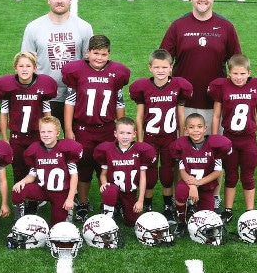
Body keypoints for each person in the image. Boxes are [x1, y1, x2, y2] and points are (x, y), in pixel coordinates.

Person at [159, 0, 242, 212]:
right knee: (180, 153)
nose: (202, 0)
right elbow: (163, 60)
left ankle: (212, 197)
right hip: (182, 104)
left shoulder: (226, 27)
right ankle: (180, 198)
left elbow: (236, 63)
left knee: (212, 152)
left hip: (213, 105)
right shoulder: (178, 26)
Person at [62, 34, 131, 222]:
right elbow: (70, 101)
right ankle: (83, 203)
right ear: (88, 52)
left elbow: (119, 102)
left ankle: (109, 203)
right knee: (83, 168)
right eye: (96, 53)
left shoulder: (118, 72)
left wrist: (121, 128)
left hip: (108, 129)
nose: (99, 58)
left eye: (103, 54)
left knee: (110, 167)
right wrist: (68, 129)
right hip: (83, 128)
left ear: (109, 54)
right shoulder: (76, 71)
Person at [128, 49, 193, 223]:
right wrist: (140, 141)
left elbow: (180, 115)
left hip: (170, 137)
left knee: (167, 173)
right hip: (150, 137)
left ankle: (167, 205)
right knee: (149, 173)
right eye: (157, 67)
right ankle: (148, 204)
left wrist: (181, 137)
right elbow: (139, 117)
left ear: (171, 68)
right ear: (150, 68)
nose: (161, 70)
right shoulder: (143, 88)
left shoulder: (178, 86)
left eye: (164, 67)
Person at [207, 54, 257, 223]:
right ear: (229, 73)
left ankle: (250, 210)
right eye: (235, 74)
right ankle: (228, 209)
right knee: (231, 175)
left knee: (248, 176)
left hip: (249, 139)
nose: (239, 77)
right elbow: (216, 116)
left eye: (242, 74)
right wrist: (214, 138)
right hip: (229, 139)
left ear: (249, 73)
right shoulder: (222, 87)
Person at [21, 0, 93, 128]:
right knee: (46, 142)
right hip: (44, 96)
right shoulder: (33, 28)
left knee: (73, 143)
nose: (59, 0)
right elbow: (26, 64)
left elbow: (89, 63)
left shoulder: (84, 27)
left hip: (75, 96)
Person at [0, 52, 58, 215]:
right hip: (16, 135)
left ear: (35, 68)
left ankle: (33, 200)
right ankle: (19, 199)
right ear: (15, 68)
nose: (24, 69)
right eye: (21, 66)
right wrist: (4, 137)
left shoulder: (44, 85)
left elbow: (47, 113)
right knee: (18, 168)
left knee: (36, 167)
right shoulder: (7, 86)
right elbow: (4, 113)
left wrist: (49, 134)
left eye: (28, 66)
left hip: (36, 135)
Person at [168, 113, 232, 238]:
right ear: (186, 130)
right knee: (180, 190)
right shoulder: (182, 145)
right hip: (188, 183)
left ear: (205, 128)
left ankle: (192, 207)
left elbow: (217, 172)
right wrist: (192, 185)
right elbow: (182, 170)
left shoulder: (214, 146)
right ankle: (181, 221)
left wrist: (199, 183)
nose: (195, 130)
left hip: (206, 184)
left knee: (207, 217)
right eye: (191, 127)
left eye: (199, 127)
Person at [12, 116, 82, 226]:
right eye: (43, 131)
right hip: (42, 189)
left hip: (60, 192)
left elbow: (74, 176)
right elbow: (32, 174)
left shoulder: (66, 149)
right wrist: (22, 182)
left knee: (56, 226)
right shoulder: (35, 149)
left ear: (58, 133)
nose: (46, 134)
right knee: (18, 190)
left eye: (50, 131)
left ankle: (68, 212)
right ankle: (19, 220)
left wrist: (70, 198)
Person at [94, 117, 156, 227]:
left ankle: (121, 208)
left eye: (128, 133)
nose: (125, 136)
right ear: (115, 134)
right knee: (110, 190)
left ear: (134, 134)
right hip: (114, 189)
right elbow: (103, 174)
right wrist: (104, 183)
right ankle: (108, 216)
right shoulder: (107, 149)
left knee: (132, 222)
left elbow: (142, 178)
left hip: (129, 192)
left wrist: (140, 200)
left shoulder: (140, 150)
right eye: (121, 133)